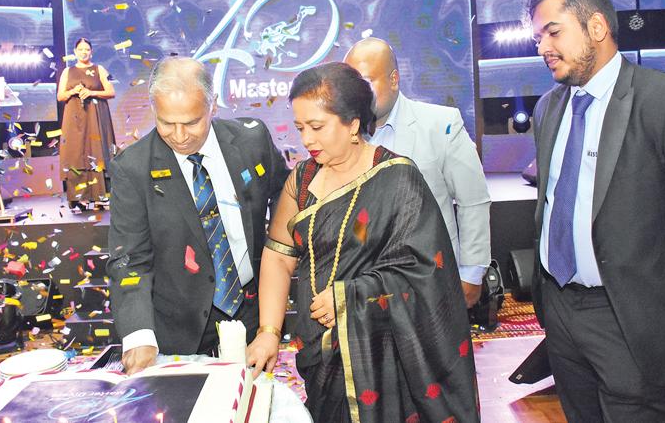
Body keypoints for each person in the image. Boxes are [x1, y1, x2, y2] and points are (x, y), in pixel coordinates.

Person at [528, 0, 665, 421]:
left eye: (554, 32)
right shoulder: (548, 108)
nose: (543, 47)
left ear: (596, 26)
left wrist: (657, 266)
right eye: (538, 37)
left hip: (635, 315)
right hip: (561, 311)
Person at [246, 62, 479, 423]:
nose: (306, 140)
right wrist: (268, 332)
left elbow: (426, 274)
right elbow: (278, 257)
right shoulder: (302, 180)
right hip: (321, 353)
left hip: (389, 354)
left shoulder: (397, 178)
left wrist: (350, 298)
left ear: (353, 124)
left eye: (317, 127)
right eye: (300, 127)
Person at [106, 56, 289, 374]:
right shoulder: (133, 168)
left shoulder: (251, 141)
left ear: (213, 106)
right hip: (179, 329)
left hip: (252, 314)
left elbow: (289, 200)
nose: (179, 135)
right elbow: (129, 261)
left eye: (191, 122)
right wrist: (139, 336)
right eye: (166, 122)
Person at [344, 38, 491, 307]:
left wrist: (471, 273)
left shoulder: (441, 124)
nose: (358, 95)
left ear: (394, 79)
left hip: (432, 283)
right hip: (363, 289)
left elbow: (473, 201)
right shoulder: (342, 135)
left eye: (366, 83)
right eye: (351, 86)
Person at [57, 37, 116, 208]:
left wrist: (91, 92)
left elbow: (111, 92)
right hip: (74, 117)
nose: (84, 52)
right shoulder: (68, 71)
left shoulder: (99, 69)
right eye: (80, 49)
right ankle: (79, 196)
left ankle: (100, 195)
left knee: (96, 150)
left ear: (91, 52)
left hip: (95, 115)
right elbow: (60, 96)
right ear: (75, 52)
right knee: (75, 152)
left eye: (87, 50)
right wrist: (73, 91)